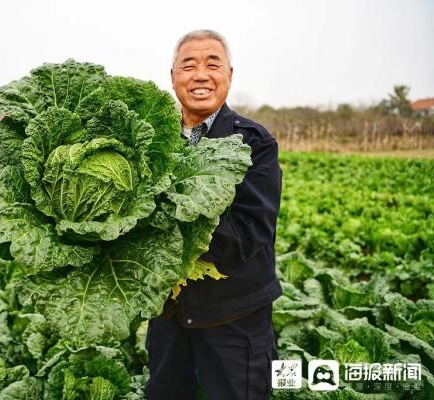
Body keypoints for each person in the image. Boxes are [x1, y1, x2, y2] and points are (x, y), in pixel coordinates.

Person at [145, 29, 283, 400]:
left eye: (212, 64)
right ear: (173, 76)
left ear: (230, 75)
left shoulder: (254, 142)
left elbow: (250, 235)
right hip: (168, 318)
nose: (201, 74)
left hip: (234, 320)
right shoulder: (150, 141)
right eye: (188, 65)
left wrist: (170, 212)